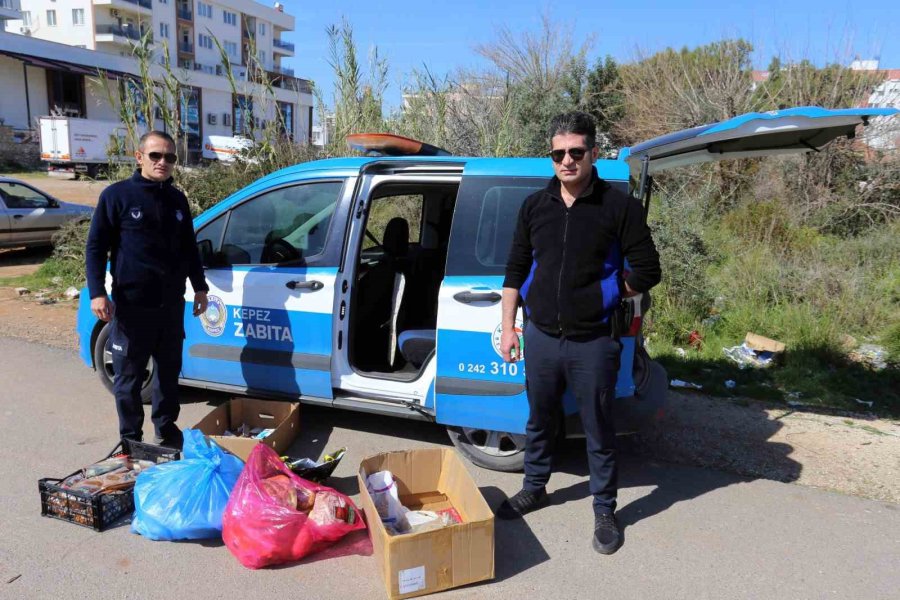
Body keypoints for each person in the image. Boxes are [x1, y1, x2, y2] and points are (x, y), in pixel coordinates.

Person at [497, 112, 661, 554]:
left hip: (593, 341)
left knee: (598, 425)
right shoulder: (535, 207)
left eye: (575, 152)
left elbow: (648, 270)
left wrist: (606, 293)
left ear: (592, 154)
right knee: (539, 417)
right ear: (550, 156)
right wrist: (509, 326)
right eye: (558, 153)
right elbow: (514, 270)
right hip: (542, 337)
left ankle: (605, 508)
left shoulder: (618, 207)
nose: (566, 161)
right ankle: (535, 487)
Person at [85, 131, 209, 449]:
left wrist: (200, 288)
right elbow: (96, 247)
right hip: (132, 307)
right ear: (139, 157)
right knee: (129, 378)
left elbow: (189, 249)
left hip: (170, 307)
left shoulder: (177, 200)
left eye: (170, 157)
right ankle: (130, 438)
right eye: (156, 155)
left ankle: (166, 429)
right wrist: (98, 292)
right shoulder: (117, 196)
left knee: (168, 374)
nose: (163, 162)